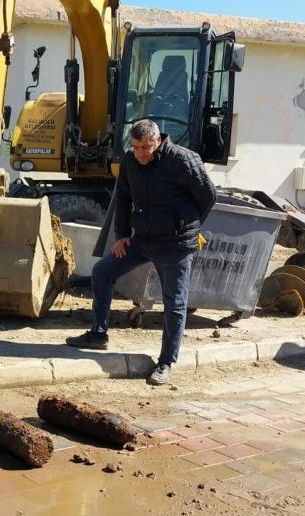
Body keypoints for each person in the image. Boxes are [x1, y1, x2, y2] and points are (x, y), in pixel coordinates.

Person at [66, 119, 216, 386]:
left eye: (146, 147)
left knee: (174, 304)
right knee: (103, 271)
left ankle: (166, 362)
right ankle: (98, 334)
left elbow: (208, 195)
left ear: (158, 141)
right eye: (136, 147)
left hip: (175, 245)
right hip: (143, 240)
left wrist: (187, 228)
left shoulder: (182, 160)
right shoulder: (130, 162)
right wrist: (122, 235)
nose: (141, 153)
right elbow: (122, 198)